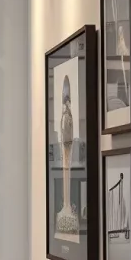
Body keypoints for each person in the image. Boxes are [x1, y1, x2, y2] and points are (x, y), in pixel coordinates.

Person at [57, 74, 76, 232]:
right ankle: (66, 205)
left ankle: (67, 205)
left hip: (68, 145)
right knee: (65, 171)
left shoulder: (68, 116)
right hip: (65, 146)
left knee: (67, 170)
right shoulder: (65, 116)